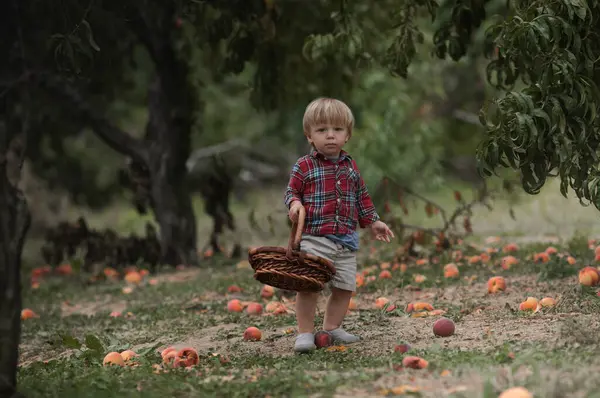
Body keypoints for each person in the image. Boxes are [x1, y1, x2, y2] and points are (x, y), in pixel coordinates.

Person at [284, 97, 394, 353]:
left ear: (347, 135)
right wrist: (294, 205)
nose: (330, 136)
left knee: (345, 287)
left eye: (337, 130)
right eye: (322, 130)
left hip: (346, 240)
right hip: (315, 238)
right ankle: (305, 333)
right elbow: (292, 192)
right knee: (309, 285)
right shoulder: (305, 166)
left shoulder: (351, 167)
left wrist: (373, 221)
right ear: (309, 136)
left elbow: (361, 198)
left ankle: (332, 328)